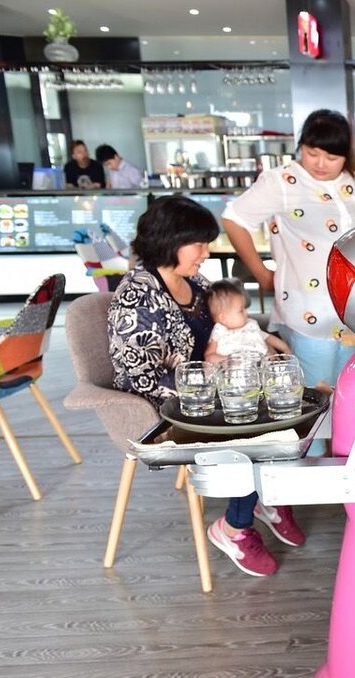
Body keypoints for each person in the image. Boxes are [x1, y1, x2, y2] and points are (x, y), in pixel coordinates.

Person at [108, 196, 304, 577]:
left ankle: (262, 493)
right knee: (252, 424)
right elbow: (142, 378)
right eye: (198, 244)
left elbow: (228, 328)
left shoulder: (195, 283)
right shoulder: (136, 297)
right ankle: (234, 526)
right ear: (169, 241)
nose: (206, 252)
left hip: (213, 391)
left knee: (285, 401)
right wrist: (218, 385)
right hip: (164, 407)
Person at [221, 109, 355, 389]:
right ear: (301, 147)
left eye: (332, 157)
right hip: (307, 308)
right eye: (312, 153)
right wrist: (261, 273)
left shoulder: (354, 178)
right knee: (316, 394)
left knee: (349, 389)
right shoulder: (281, 182)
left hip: (352, 305)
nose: (321, 164)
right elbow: (233, 219)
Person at [204, 279, 292, 363]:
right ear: (223, 318)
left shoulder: (250, 325)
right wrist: (229, 360)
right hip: (235, 369)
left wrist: (285, 348)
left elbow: (268, 338)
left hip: (261, 365)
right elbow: (209, 356)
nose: (246, 313)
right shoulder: (219, 332)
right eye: (241, 310)